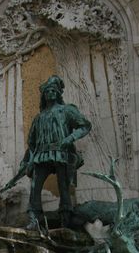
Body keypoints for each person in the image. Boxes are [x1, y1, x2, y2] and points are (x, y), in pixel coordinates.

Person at [23, 75, 91, 230]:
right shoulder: (38, 118)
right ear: (44, 95)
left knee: (63, 185)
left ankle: (66, 216)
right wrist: (27, 161)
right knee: (35, 185)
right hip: (41, 155)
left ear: (59, 93)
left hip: (61, 152)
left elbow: (85, 126)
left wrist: (70, 138)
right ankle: (34, 217)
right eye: (48, 91)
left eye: (54, 90)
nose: (51, 93)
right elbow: (32, 143)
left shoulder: (67, 110)